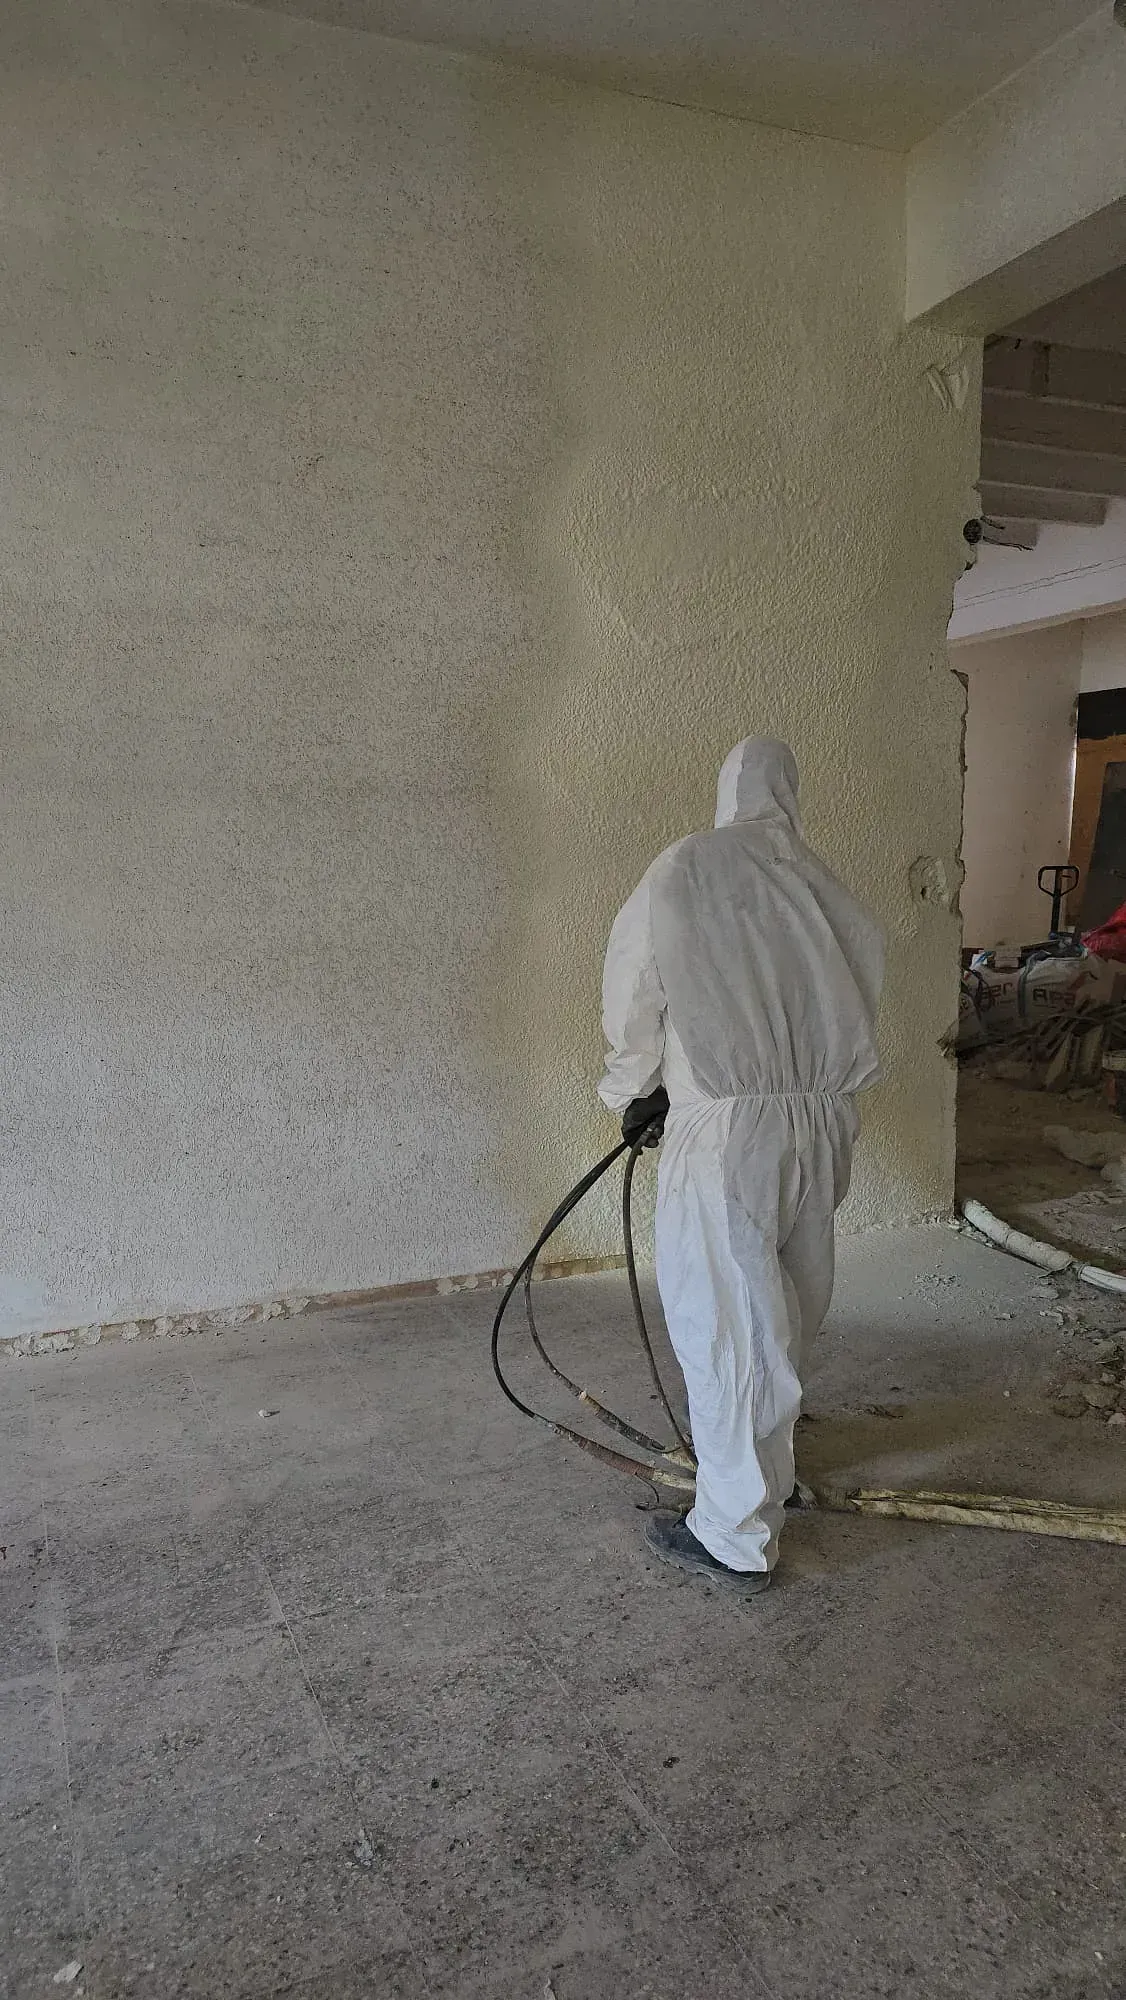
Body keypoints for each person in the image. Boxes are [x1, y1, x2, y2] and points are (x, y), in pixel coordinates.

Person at [598, 738, 884, 1596]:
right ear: (791, 794)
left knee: (727, 1324)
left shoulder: (689, 865)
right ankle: (771, 1473)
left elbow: (637, 981)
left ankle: (735, 1531)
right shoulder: (825, 884)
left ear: (726, 790)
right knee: (789, 1307)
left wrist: (632, 1085)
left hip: (727, 1125)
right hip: (824, 1119)